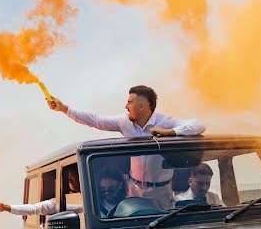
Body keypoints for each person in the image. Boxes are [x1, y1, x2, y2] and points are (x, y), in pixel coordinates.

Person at [48, 85, 205, 209]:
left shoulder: (165, 122)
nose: (125, 106)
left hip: (161, 192)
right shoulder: (124, 122)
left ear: (142, 106)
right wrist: (64, 109)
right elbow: (95, 120)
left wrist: (171, 132)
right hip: (133, 188)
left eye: (130, 102)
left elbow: (200, 124)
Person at [0, 167, 82, 215]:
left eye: (74, 177)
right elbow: (34, 209)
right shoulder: (61, 201)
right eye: (69, 178)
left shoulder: (94, 195)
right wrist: (5, 207)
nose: (71, 181)